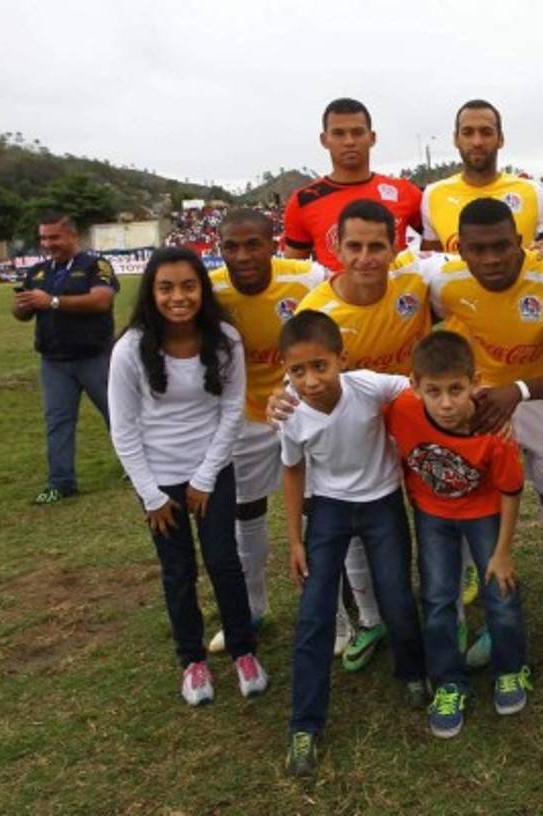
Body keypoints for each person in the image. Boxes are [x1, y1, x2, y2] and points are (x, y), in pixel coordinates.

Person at [424, 197, 543, 673]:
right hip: (484, 406)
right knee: (485, 515)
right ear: (462, 249)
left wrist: (514, 391)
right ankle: (498, 624)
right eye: (478, 250)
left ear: (520, 242)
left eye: (502, 246)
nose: (491, 259)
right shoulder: (443, 281)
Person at [107, 247, 268, 707]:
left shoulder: (226, 340)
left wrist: (205, 476)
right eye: (166, 288)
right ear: (151, 292)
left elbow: (232, 411)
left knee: (223, 560)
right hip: (158, 483)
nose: (178, 297)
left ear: (202, 289)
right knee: (177, 570)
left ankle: (244, 651)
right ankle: (191, 661)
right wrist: (151, 494)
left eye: (188, 286)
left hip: (213, 473)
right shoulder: (130, 349)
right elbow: (124, 428)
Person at [276, 310, 426, 777]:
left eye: (320, 366)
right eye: (298, 371)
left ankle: (413, 672)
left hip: (382, 504)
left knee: (397, 596)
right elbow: (293, 469)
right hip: (329, 511)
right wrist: (295, 539)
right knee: (314, 613)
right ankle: (305, 723)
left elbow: (415, 388)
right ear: (286, 371)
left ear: (342, 359)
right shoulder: (289, 411)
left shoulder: (369, 385)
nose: (311, 380)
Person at [294, 199, 433, 667]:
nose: (366, 257)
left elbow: (465, 264)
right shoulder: (318, 308)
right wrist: (281, 398)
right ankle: (371, 617)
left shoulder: (416, 280)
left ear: (396, 246)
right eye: (354, 246)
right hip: (356, 428)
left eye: (378, 245)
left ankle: (447, 601)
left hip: (413, 420)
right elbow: (298, 368)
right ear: (336, 246)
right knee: (354, 524)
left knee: (436, 506)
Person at [385, 331, 530, 739]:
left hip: (484, 513)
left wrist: (503, 553)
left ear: (475, 382)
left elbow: (512, 491)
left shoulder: (491, 427)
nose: (446, 403)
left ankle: (510, 668)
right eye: (433, 391)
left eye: (456, 390)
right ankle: (449, 682)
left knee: (499, 593)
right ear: (414, 386)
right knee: (437, 597)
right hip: (431, 513)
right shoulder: (400, 409)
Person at [205, 209, 327, 654]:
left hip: (301, 411)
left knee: (317, 511)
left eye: (252, 244)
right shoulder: (210, 289)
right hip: (244, 419)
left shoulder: (307, 279)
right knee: (247, 512)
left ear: (272, 241)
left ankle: (329, 611)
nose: (242, 255)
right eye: (231, 246)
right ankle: (253, 608)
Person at [12, 212, 119, 505]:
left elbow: (102, 300)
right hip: (54, 361)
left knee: (119, 417)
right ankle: (61, 482)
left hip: (95, 357)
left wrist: (54, 301)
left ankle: (139, 468)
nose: (48, 243)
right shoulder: (38, 271)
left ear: (73, 235)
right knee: (57, 422)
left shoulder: (95, 265)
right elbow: (21, 314)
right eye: (44, 238)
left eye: (54, 237)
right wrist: (23, 306)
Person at [283, 98, 423, 270]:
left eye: (357, 132)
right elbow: (291, 272)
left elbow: (436, 250)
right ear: (324, 139)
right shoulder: (304, 201)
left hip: (394, 295)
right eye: (338, 133)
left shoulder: (405, 192)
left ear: (372, 138)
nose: (349, 141)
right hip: (335, 296)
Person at [420, 99, 543, 254]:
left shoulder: (532, 191)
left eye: (486, 132)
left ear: (501, 139)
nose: (477, 142)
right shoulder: (433, 195)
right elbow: (431, 263)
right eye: (467, 133)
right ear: (456, 139)